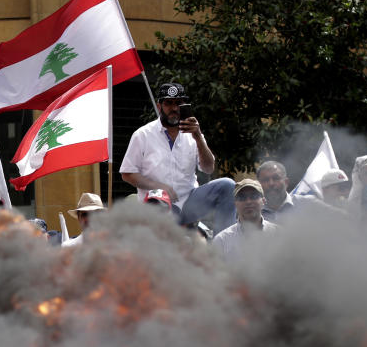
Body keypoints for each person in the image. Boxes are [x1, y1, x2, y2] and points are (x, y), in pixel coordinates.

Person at [120, 82, 235, 233]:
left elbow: (208, 168)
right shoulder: (142, 135)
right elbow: (127, 174)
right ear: (159, 106)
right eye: (168, 103)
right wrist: (158, 186)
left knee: (227, 185)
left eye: (178, 103)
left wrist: (198, 137)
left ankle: (223, 242)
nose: (174, 108)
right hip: (157, 206)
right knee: (160, 205)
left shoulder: (193, 133)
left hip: (189, 203)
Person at [211, 179, 279, 258]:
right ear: (235, 203)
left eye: (254, 196)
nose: (248, 201)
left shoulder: (279, 234)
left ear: (263, 201)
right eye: (242, 197)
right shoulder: (222, 241)